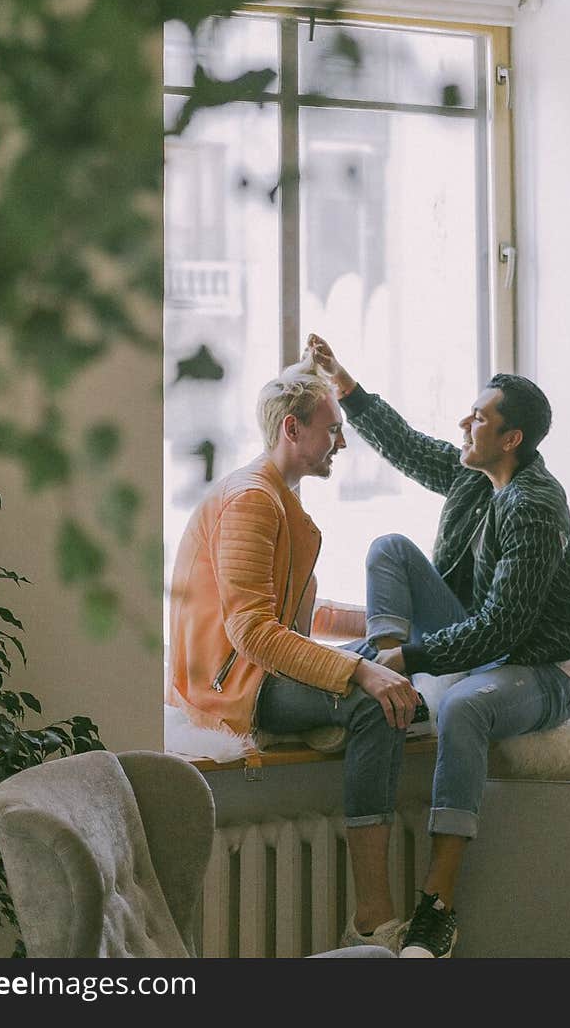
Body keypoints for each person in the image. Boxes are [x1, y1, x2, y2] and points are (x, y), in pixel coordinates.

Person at [305, 333, 570, 958]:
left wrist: (408, 656)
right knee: (389, 546)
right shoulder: (475, 476)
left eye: (480, 417)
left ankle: (435, 907)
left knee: (466, 707)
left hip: (542, 665)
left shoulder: (534, 504)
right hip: (486, 637)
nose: (464, 422)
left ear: (511, 439)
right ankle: (395, 697)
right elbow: (409, 446)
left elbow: (502, 631)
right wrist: (347, 388)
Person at [166, 356, 423, 953]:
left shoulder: (278, 497)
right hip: (234, 683)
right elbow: (254, 631)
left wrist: (381, 632)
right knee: (371, 703)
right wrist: (358, 671)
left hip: (266, 666)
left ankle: (323, 720)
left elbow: (300, 614)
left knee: (400, 672)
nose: (342, 441)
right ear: (292, 429)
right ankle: (371, 914)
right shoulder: (252, 499)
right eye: (332, 428)